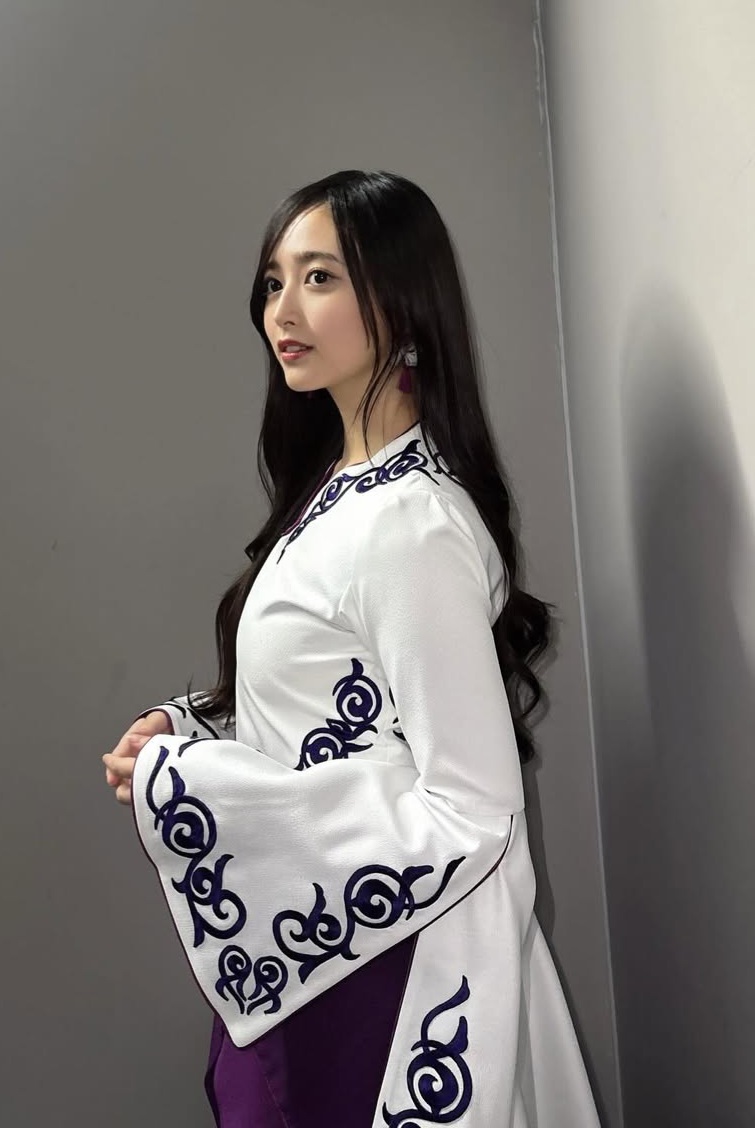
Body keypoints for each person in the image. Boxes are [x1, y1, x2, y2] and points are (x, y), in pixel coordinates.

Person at [103, 170, 600, 1128]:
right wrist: (185, 728)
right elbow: (333, 714)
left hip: (383, 979)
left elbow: (475, 809)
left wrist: (195, 784)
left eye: (319, 277)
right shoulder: (346, 492)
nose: (281, 311)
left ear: (400, 301)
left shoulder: (410, 522)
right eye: (272, 281)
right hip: (333, 957)